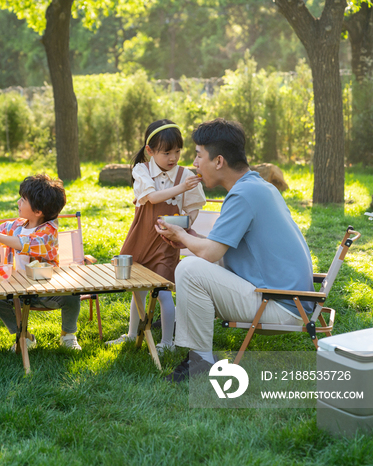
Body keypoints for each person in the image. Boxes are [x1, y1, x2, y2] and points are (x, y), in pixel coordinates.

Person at [156, 118, 314, 382]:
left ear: (218, 161)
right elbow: (220, 247)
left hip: (281, 307)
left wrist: (183, 234)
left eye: (198, 155)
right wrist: (189, 238)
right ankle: (198, 351)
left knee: (189, 268)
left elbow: (210, 254)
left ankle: (201, 359)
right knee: (196, 262)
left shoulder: (243, 195)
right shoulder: (258, 186)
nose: (194, 164)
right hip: (291, 300)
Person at [106, 119, 205, 353]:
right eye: (166, 152)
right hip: (142, 236)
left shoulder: (185, 174)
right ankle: (132, 334)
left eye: (178, 151)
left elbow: (194, 207)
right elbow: (151, 198)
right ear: (150, 151)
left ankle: (167, 343)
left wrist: (186, 222)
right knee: (137, 289)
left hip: (165, 241)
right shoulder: (141, 170)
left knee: (162, 293)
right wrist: (182, 188)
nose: (173, 158)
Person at [0, 174, 82, 350]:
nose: (18, 202)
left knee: (72, 295)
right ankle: (24, 335)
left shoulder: (48, 232)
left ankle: (68, 335)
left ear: (38, 211)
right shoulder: (17, 225)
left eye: (23, 199)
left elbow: (24, 244)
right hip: (17, 290)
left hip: (47, 290)